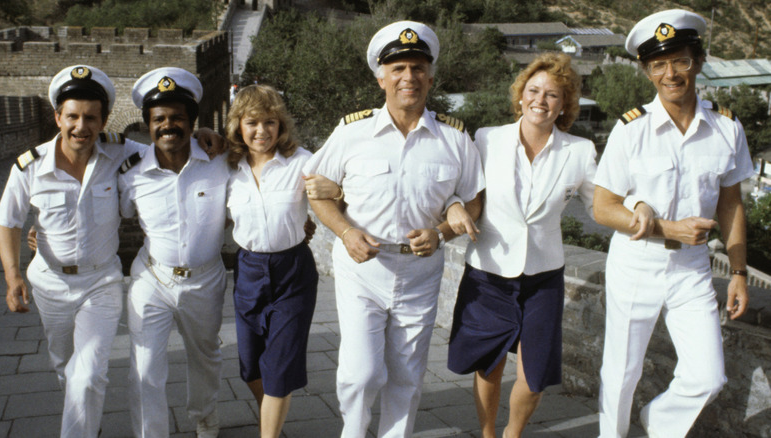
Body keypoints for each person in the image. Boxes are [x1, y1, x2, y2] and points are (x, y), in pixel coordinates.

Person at [303, 20, 484, 438]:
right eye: (398, 69)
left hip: (420, 271)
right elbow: (317, 192)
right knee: (362, 371)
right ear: (381, 76)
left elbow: (473, 199)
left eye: (418, 68)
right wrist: (346, 232)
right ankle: (354, 431)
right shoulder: (352, 132)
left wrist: (443, 232)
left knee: (407, 373)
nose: (409, 78)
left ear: (431, 76)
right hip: (363, 268)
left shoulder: (454, 138)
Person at [592, 10, 753, 438]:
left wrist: (738, 272)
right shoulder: (632, 129)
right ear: (647, 71)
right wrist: (668, 228)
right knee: (621, 373)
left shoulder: (727, 127)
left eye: (679, 60)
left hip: (693, 270)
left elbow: (732, 205)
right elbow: (603, 207)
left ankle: (657, 424)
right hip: (635, 264)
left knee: (708, 377)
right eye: (659, 65)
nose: (671, 74)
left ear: (697, 62)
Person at [445, 53, 597, 438]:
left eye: (552, 95)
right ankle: (487, 433)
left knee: (535, 375)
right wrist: (454, 206)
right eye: (533, 91)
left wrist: (642, 212)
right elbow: (459, 189)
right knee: (488, 364)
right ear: (520, 96)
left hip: (544, 276)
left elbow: (602, 206)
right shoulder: (486, 139)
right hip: (489, 272)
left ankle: (512, 433)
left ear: (564, 105)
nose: (540, 101)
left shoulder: (579, 151)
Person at [0, 65, 137, 438]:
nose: (81, 126)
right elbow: (8, 222)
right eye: (72, 116)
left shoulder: (119, 153)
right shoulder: (30, 166)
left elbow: (169, 147)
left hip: (101, 282)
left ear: (104, 120)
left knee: (88, 373)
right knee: (66, 367)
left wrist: (207, 136)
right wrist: (12, 278)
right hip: (50, 283)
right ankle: (87, 421)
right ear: (57, 117)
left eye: (91, 117)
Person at [119, 67, 230, 438]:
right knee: (146, 366)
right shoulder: (131, 171)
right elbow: (97, 209)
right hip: (152, 277)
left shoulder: (221, 161)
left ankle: (204, 417)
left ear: (192, 122)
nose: (168, 126)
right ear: (147, 125)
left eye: (178, 118)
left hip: (206, 279)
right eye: (159, 119)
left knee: (206, 356)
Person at [224, 84, 320, 437]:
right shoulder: (226, 168)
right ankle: (274, 426)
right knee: (251, 367)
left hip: (293, 272)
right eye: (252, 122)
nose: (261, 131)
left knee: (280, 367)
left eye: (270, 122)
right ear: (238, 125)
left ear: (281, 126)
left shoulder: (302, 162)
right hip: (248, 269)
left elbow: (336, 191)